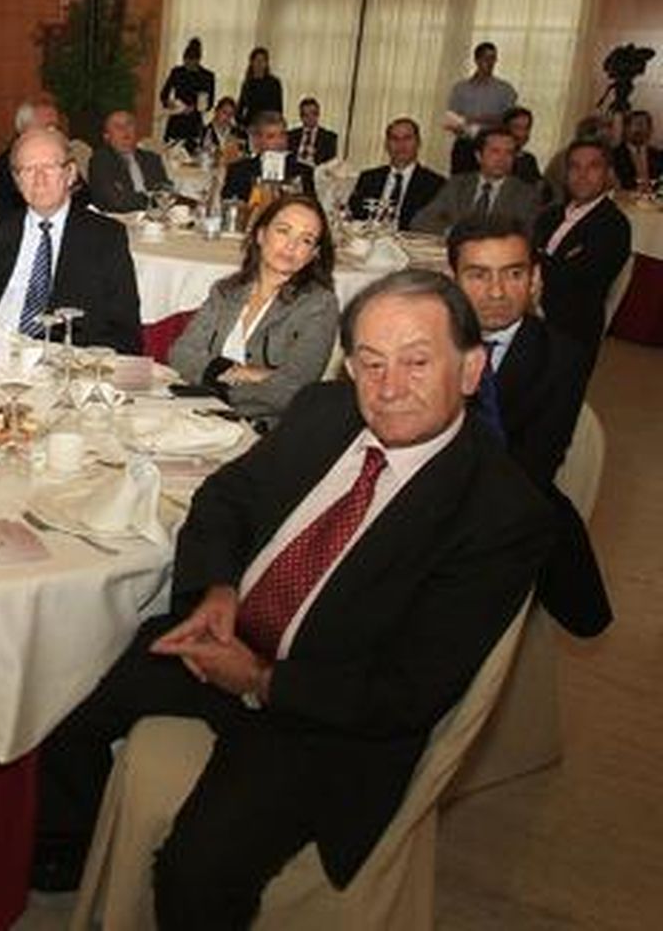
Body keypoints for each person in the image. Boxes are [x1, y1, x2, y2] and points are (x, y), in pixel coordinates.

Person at [33, 268, 555, 920]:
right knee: (68, 694)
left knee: (196, 872)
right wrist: (216, 588)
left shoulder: (499, 514)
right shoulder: (325, 413)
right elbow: (226, 498)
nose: (389, 389)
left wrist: (258, 677)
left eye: (417, 362)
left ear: (472, 369)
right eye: (370, 363)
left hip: (321, 717)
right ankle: (66, 846)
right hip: (229, 635)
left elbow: (405, 691)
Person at [449, 214, 612, 637]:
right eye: (478, 275)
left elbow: (528, 476)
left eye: (514, 273)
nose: (498, 292)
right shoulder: (430, 339)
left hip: (497, 521)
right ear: (452, 279)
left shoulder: (561, 359)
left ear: (535, 277)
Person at [0, 128, 142, 354]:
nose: (39, 179)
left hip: (61, 362)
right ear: (17, 181)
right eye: (28, 170)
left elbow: (125, 331)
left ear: (71, 174)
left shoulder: (105, 238)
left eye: (49, 167)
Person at [169, 195, 339, 426]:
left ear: (314, 254)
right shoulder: (226, 291)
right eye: (283, 231)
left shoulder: (319, 305)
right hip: (195, 417)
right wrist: (241, 372)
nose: (291, 246)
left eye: (306, 240)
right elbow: (181, 354)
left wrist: (215, 392)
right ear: (260, 235)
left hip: (260, 432)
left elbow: (292, 390)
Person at [531, 140, 632, 374]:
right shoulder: (551, 215)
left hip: (569, 324)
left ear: (608, 174)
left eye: (593, 167)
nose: (582, 175)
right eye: (575, 167)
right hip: (533, 308)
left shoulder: (613, 225)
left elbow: (582, 280)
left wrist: (536, 263)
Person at [411, 128, 540, 235]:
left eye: (509, 153)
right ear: (479, 156)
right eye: (495, 151)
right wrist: (453, 232)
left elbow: (526, 236)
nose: (502, 159)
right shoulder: (457, 184)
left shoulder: (526, 195)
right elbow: (421, 221)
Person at [347, 117, 447, 230]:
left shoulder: (435, 184)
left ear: (418, 143)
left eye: (407, 138)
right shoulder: (368, 178)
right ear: (386, 145)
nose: (401, 144)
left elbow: (434, 225)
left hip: (411, 245)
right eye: (394, 139)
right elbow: (353, 216)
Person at [445, 42, 518, 174]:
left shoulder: (505, 90)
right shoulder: (460, 88)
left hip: (493, 147)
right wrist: (484, 121)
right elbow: (451, 122)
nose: (490, 63)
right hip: (465, 146)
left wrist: (473, 119)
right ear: (477, 60)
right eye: (487, 58)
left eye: (493, 59)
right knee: (461, 186)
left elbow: (509, 121)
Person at [87, 110, 172, 213]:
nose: (125, 130)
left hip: (154, 219)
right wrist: (152, 199)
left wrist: (159, 199)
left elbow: (166, 190)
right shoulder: (101, 161)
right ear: (107, 136)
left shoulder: (152, 159)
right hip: (118, 220)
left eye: (129, 124)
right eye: (117, 126)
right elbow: (117, 202)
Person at [221, 111, 316, 200]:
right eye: (271, 136)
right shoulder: (239, 171)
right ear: (257, 141)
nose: (279, 142)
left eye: (282, 135)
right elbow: (229, 206)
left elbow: (312, 208)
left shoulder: (303, 172)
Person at [160, 37, 216, 149]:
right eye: (186, 62)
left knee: (192, 153)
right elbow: (163, 95)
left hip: (194, 123)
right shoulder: (177, 72)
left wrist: (194, 108)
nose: (189, 66)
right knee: (171, 151)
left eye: (192, 63)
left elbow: (209, 104)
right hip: (176, 120)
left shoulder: (207, 77)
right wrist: (169, 103)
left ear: (198, 60)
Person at [235, 47, 283, 131]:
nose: (259, 64)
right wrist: (241, 124)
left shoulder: (274, 83)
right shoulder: (247, 83)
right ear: (252, 62)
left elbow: (278, 108)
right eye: (257, 60)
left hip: (268, 125)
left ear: (266, 63)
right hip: (251, 125)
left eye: (263, 61)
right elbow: (240, 107)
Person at [613, 110, 662, 190]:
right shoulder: (614, 155)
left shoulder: (659, 156)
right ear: (625, 129)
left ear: (650, 130)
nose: (638, 129)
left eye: (642, 124)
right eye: (634, 125)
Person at [288, 97, 338, 167]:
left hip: (316, 172)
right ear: (301, 117)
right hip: (295, 171)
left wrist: (316, 153)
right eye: (306, 115)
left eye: (313, 114)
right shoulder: (291, 135)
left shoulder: (329, 138)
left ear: (318, 115)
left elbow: (330, 164)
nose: (310, 118)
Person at [503, 106, 541, 188]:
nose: (521, 133)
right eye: (517, 127)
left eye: (526, 128)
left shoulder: (529, 160)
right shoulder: (492, 156)